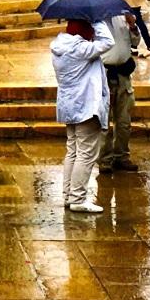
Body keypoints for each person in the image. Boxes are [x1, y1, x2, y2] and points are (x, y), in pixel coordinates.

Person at [51, 18, 111, 214]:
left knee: (73, 151)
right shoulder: (81, 49)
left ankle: (69, 194)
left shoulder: (60, 47)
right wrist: (98, 20)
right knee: (86, 153)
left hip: (69, 105)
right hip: (86, 105)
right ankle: (78, 198)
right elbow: (108, 42)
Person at [100, 10, 138, 173]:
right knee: (104, 122)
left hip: (123, 76)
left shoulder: (124, 16)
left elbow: (135, 42)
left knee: (124, 121)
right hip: (103, 76)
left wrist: (132, 25)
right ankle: (105, 159)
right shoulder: (96, 20)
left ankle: (122, 156)